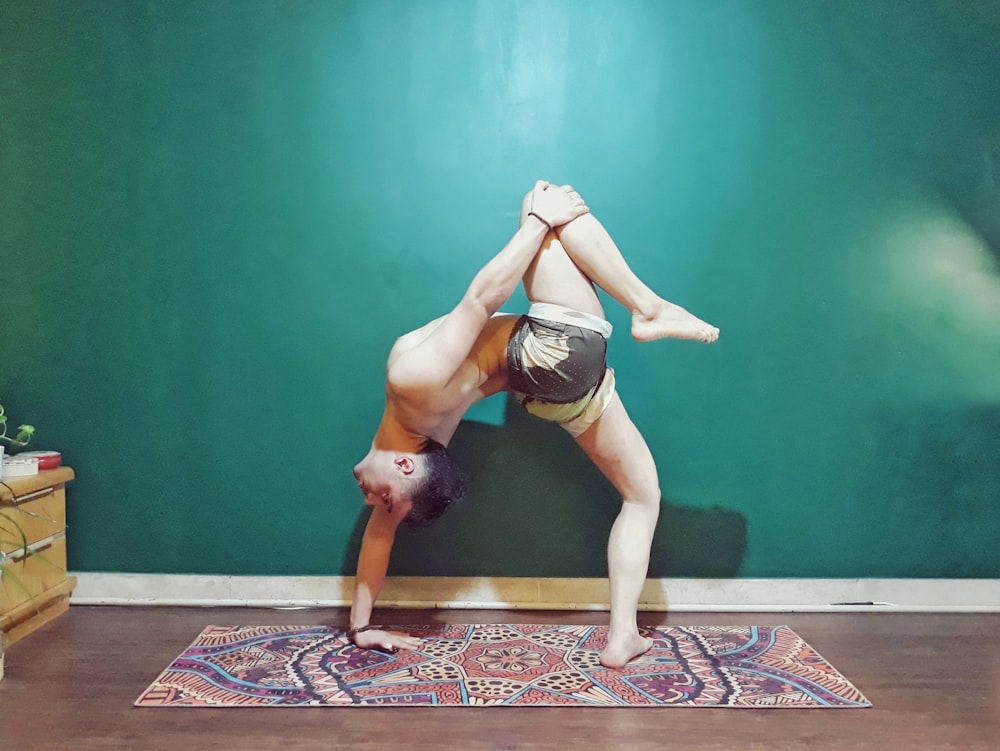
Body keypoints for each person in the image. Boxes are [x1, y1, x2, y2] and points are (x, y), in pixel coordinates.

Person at [348, 181, 719, 668]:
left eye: (384, 501)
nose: (375, 503)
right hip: (553, 352)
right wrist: (539, 220)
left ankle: (623, 637)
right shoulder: (411, 389)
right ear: (404, 463)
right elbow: (479, 302)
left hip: (551, 390)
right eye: (387, 500)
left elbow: (381, 529)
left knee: (641, 494)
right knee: (541, 195)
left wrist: (360, 626)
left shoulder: (421, 437)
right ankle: (647, 308)